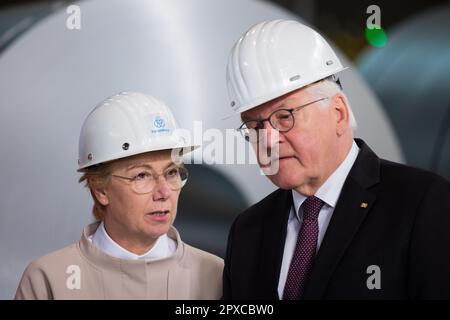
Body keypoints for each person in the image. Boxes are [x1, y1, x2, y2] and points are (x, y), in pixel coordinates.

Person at [222, 19, 450, 299]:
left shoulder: (422, 204)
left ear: (338, 113)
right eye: (255, 126)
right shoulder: (248, 231)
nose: (268, 140)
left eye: (284, 117)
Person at [15, 91, 223, 299]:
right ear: (101, 190)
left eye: (171, 173)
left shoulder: (215, 275)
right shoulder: (48, 280)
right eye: (142, 176)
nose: (164, 192)